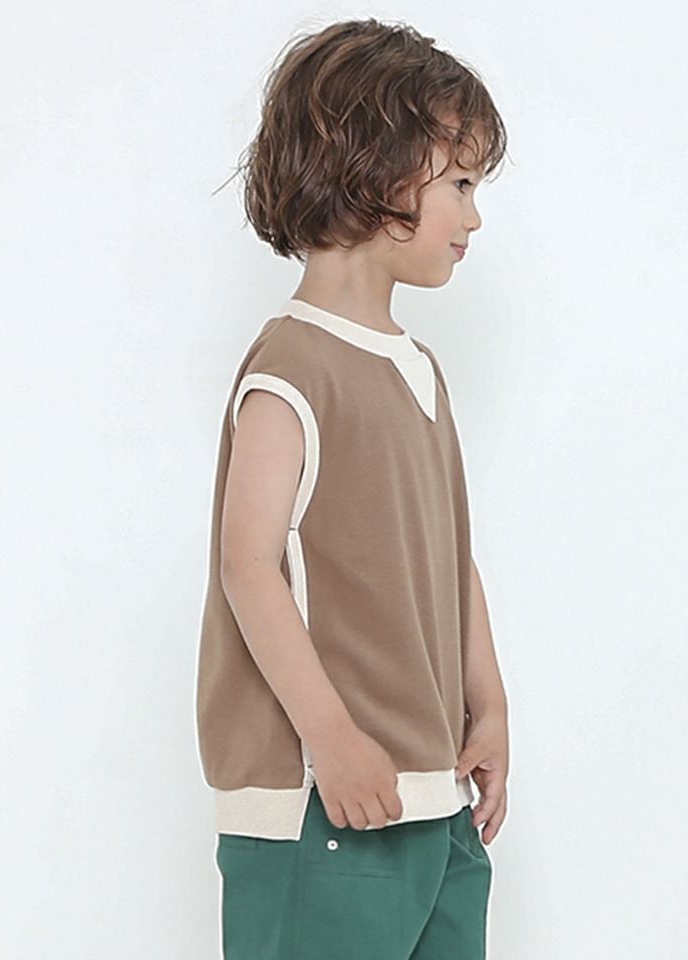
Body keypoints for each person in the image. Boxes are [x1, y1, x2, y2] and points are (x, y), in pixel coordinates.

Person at [196, 16, 511, 960]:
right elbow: (249, 566)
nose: (473, 218)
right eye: (460, 184)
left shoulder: (419, 370)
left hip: (431, 796)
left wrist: (488, 704)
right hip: (322, 804)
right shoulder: (293, 365)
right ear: (378, 173)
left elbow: (450, 558)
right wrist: (330, 738)